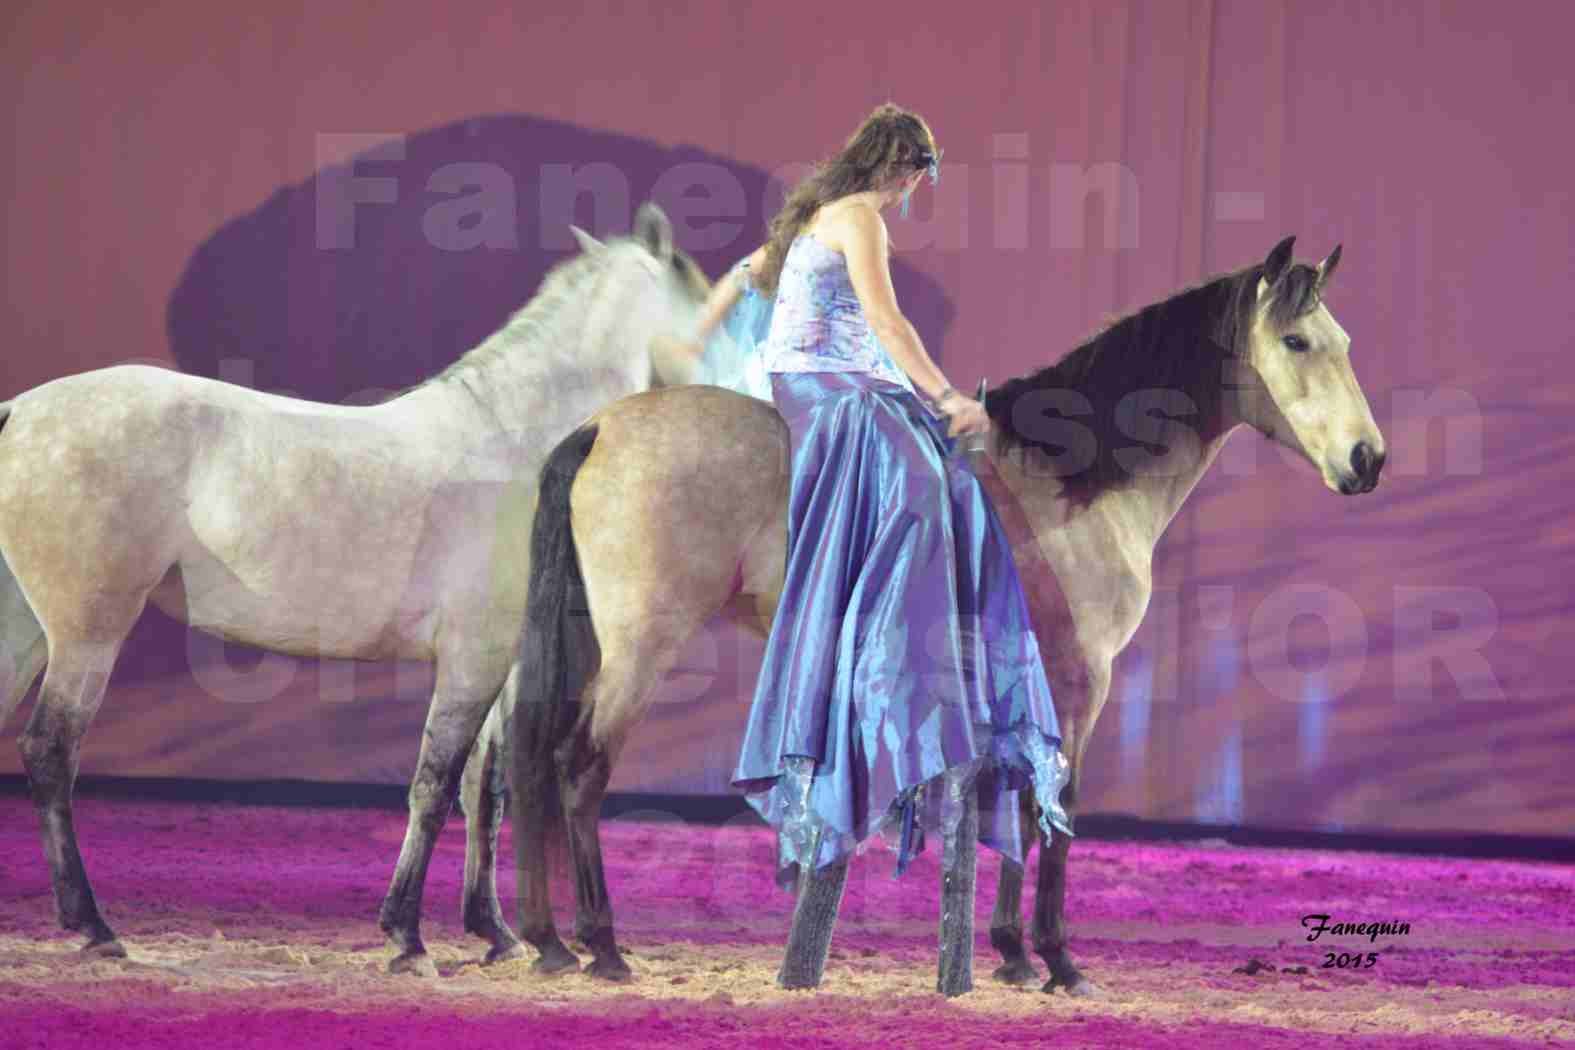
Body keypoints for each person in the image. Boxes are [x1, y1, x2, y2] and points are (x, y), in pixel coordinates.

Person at [688, 103, 1072, 888]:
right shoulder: (860, 218)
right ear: (907, 173)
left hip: (823, 377)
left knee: (951, 481)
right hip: (836, 387)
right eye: (916, 178)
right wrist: (950, 398)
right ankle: (883, 645)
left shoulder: (813, 213)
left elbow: (740, 275)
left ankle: (910, 639)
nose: (909, 192)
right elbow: (888, 323)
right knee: (929, 484)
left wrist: (694, 336)